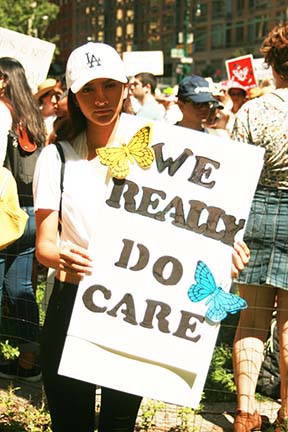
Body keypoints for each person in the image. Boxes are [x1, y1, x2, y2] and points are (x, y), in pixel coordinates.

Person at [33, 41, 250, 432]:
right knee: (71, 423)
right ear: (73, 96)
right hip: (71, 303)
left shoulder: (161, 152)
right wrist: (59, 254)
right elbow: (45, 244)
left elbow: (186, 230)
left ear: (125, 86)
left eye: (110, 86)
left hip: (136, 312)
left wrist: (223, 251)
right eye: (88, 89)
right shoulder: (58, 157)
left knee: (120, 423)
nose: (100, 99)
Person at [232, 22, 288, 432]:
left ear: (272, 63)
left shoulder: (252, 110)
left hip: (256, 210)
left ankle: (246, 412)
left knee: (251, 318)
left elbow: (232, 173)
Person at [0, 57, 46, 381]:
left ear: (4, 81)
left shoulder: (3, 113)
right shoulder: (35, 117)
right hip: (32, 214)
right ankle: (30, 363)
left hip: (6, 212)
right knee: (22, 289)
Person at [34, 78, 63, 142]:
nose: (54, 100)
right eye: (51, 95)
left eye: (57, 95)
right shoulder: (33, 115)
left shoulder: (59, 117)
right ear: (43, 98)